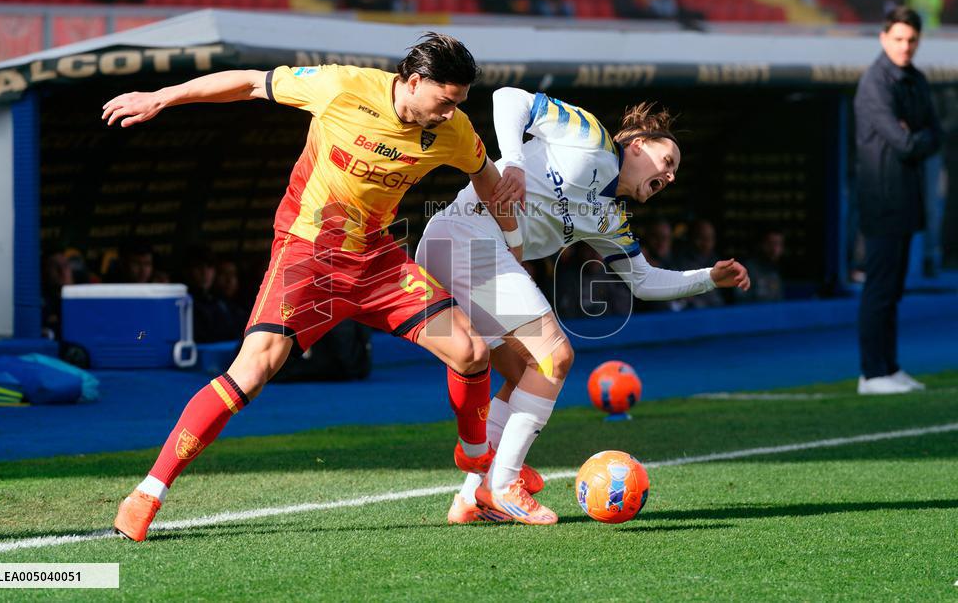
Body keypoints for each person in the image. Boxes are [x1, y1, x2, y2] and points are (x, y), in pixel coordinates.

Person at [103, 33, 523, 541]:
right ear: (414, 82)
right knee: (254, 369)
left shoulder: (453, 129)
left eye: (459, 103)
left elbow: (484, 177)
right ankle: (149, 490)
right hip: (309, 254)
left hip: (377, 261)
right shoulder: (340, 86)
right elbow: (247, 83)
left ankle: (476, 463)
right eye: (445, 100)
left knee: (472, 350)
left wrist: (511, 219)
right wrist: (161, 97)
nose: (451, 112)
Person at [416, 87, 750, 525]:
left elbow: (644, 282)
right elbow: (508, 98)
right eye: (666, 163)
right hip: (465, 236)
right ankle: (503, 485)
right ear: (637, 146)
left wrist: (708, 277)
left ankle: (471, 496)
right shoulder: (588, 135)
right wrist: (512, 161)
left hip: (460, 249)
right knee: (555, 356)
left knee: (523, 374)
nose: (669, 177)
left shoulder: (611, 217)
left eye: (673, 175)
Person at [854, 6, 941, 395]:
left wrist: (917, 136)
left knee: (894, 291)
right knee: (880, 289)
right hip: (881, 199)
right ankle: (872, 374)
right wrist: (917, 136)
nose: (905, 47)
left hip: (907, 199)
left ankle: (889, 367)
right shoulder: (875, 82)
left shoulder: (915, 79)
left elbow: (935, 134)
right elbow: (905, 142)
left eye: (911, 40)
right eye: (899, 39)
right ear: (884, 38)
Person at [734, 229, 785, 303]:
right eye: (771, 244)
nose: (775, 249)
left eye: (779, 244)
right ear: (762, 244)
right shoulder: (747, 269)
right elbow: (741, 302)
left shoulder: (776, 271)